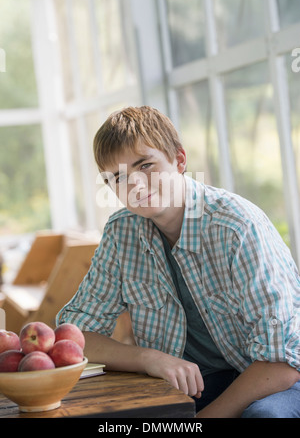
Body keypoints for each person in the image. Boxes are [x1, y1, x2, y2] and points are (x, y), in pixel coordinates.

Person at [57, 106, 300, 418]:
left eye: (145, 165)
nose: (135, 185)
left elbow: (283, 361)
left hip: (273, 379)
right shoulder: (122, 232)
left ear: (180, 160)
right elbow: (75, 336)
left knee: (266, 417)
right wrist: (151, 358)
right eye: (118, 177)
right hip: (197, 382)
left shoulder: (236, 227)